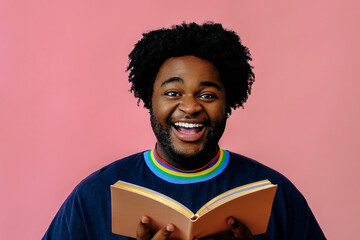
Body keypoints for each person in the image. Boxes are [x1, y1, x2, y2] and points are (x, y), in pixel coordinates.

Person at [43, 22, 326, 240]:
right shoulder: (93, 196)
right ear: (149, 99)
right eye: (173, 92)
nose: (190, 107)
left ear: (228, 103)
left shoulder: (276, 195)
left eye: (207, 95)